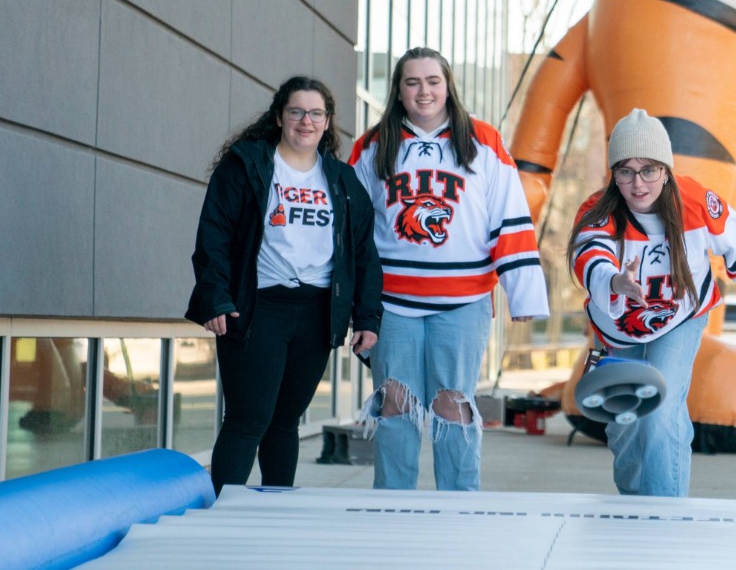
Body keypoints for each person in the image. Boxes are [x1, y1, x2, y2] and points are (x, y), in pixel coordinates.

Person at [569, 108, 736, 497]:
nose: (638, 183)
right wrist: (615, 280)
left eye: (649, 170)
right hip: (618, 326)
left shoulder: (695, 202)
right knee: (625, 421)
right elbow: (587, 256)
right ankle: (633, 503)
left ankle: (665, 511)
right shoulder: (597, 210)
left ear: (666, 170)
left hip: (680, 318)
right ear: (614, 174)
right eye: (626, 171)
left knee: (661, 408)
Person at [350, 48, 549, 491]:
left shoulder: (483, 141)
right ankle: (393, 505)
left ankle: (460, 506)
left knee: (452, 406)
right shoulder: (372, 145)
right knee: (395, 405)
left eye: (433, 81)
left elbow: (510, 216)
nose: (424, 91)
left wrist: (524, 292)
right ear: (398, 91)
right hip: (392, 302)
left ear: (448, 86)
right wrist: (351, 303)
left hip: (462, 301)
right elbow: (352, 230)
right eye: (413, 82)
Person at [186, 76, 382, 495]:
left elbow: (364, 254)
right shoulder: (248, 165)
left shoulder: (343, 181)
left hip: (315, 315)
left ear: (328, 122)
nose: (305, 121)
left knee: (285, 421)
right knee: (248, 418)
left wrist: (367, 317)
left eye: (315, 113)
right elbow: (214, 235)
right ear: (280, 117)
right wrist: (214, 297)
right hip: (257, 310)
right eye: (296, 112)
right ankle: (223, 518)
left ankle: (275, 507)